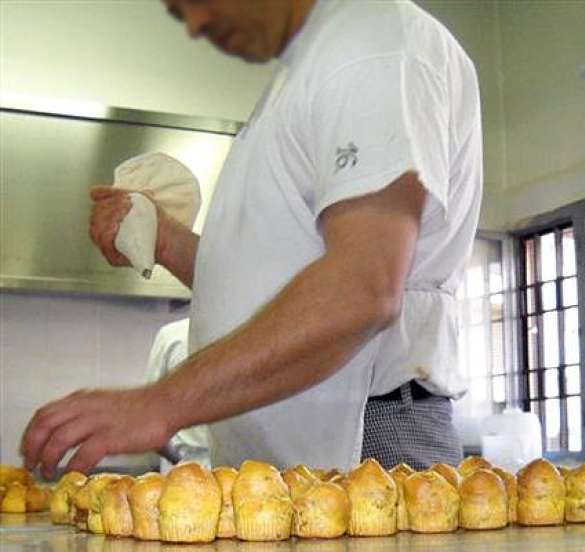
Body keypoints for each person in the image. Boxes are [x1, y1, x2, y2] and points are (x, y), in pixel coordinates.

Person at [21, 0, 482, 477]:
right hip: (294, 441)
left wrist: (159, 403)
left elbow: (362, 288)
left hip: (366, 433)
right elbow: (272, 284)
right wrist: (165, 241)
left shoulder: (373, 43)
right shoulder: (307, 70)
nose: (196, 25)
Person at [145, 318, 210, 471]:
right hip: (235, 474)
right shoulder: (247, 332)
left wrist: (178, 462)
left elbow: (149, 416)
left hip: (181, 468)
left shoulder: (171, 335)